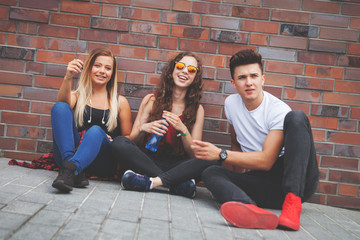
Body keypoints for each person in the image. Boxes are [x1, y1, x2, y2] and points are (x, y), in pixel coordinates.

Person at [191, 49, 319, 230]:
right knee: (212, 172)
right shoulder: (231, 104)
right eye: (242, 77)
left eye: (254, 76)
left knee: (296, 117)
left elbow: (267, 161)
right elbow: (236, 144)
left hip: (296, 179)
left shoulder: (277, 110)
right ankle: (248, 208)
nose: (249, 82)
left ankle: (292, 204)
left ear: (263, 79)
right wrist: (238, 178)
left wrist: (220, 153)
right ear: (233, 83)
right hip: (267, 185)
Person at [111, 52, 219, 198]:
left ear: (195, 77)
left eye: (191, 70)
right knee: (119, 142)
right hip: (146, 160)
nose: (185, 71)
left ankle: (148, 182)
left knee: (215, 159)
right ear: (172, 70)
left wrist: (183, 130)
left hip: (177, 165)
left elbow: (194, 154)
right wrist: (144, 128)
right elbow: (133, 141)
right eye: (180, 66)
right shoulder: (151, 100)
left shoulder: (197, 110)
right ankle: (174, 184)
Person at [51, 48, 132, 193]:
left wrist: (113, 140)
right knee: (60, 107)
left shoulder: (120, 102)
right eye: (97, 65)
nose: (102, 71)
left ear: (112, 74)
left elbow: (128, 138)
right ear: (89, 68)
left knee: (95, 131)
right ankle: (72, 170)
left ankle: (69, 170)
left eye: (108, 68)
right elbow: (63, 104)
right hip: (72, 153)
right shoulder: (77, 95)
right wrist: (68, 76)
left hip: (101, 161)